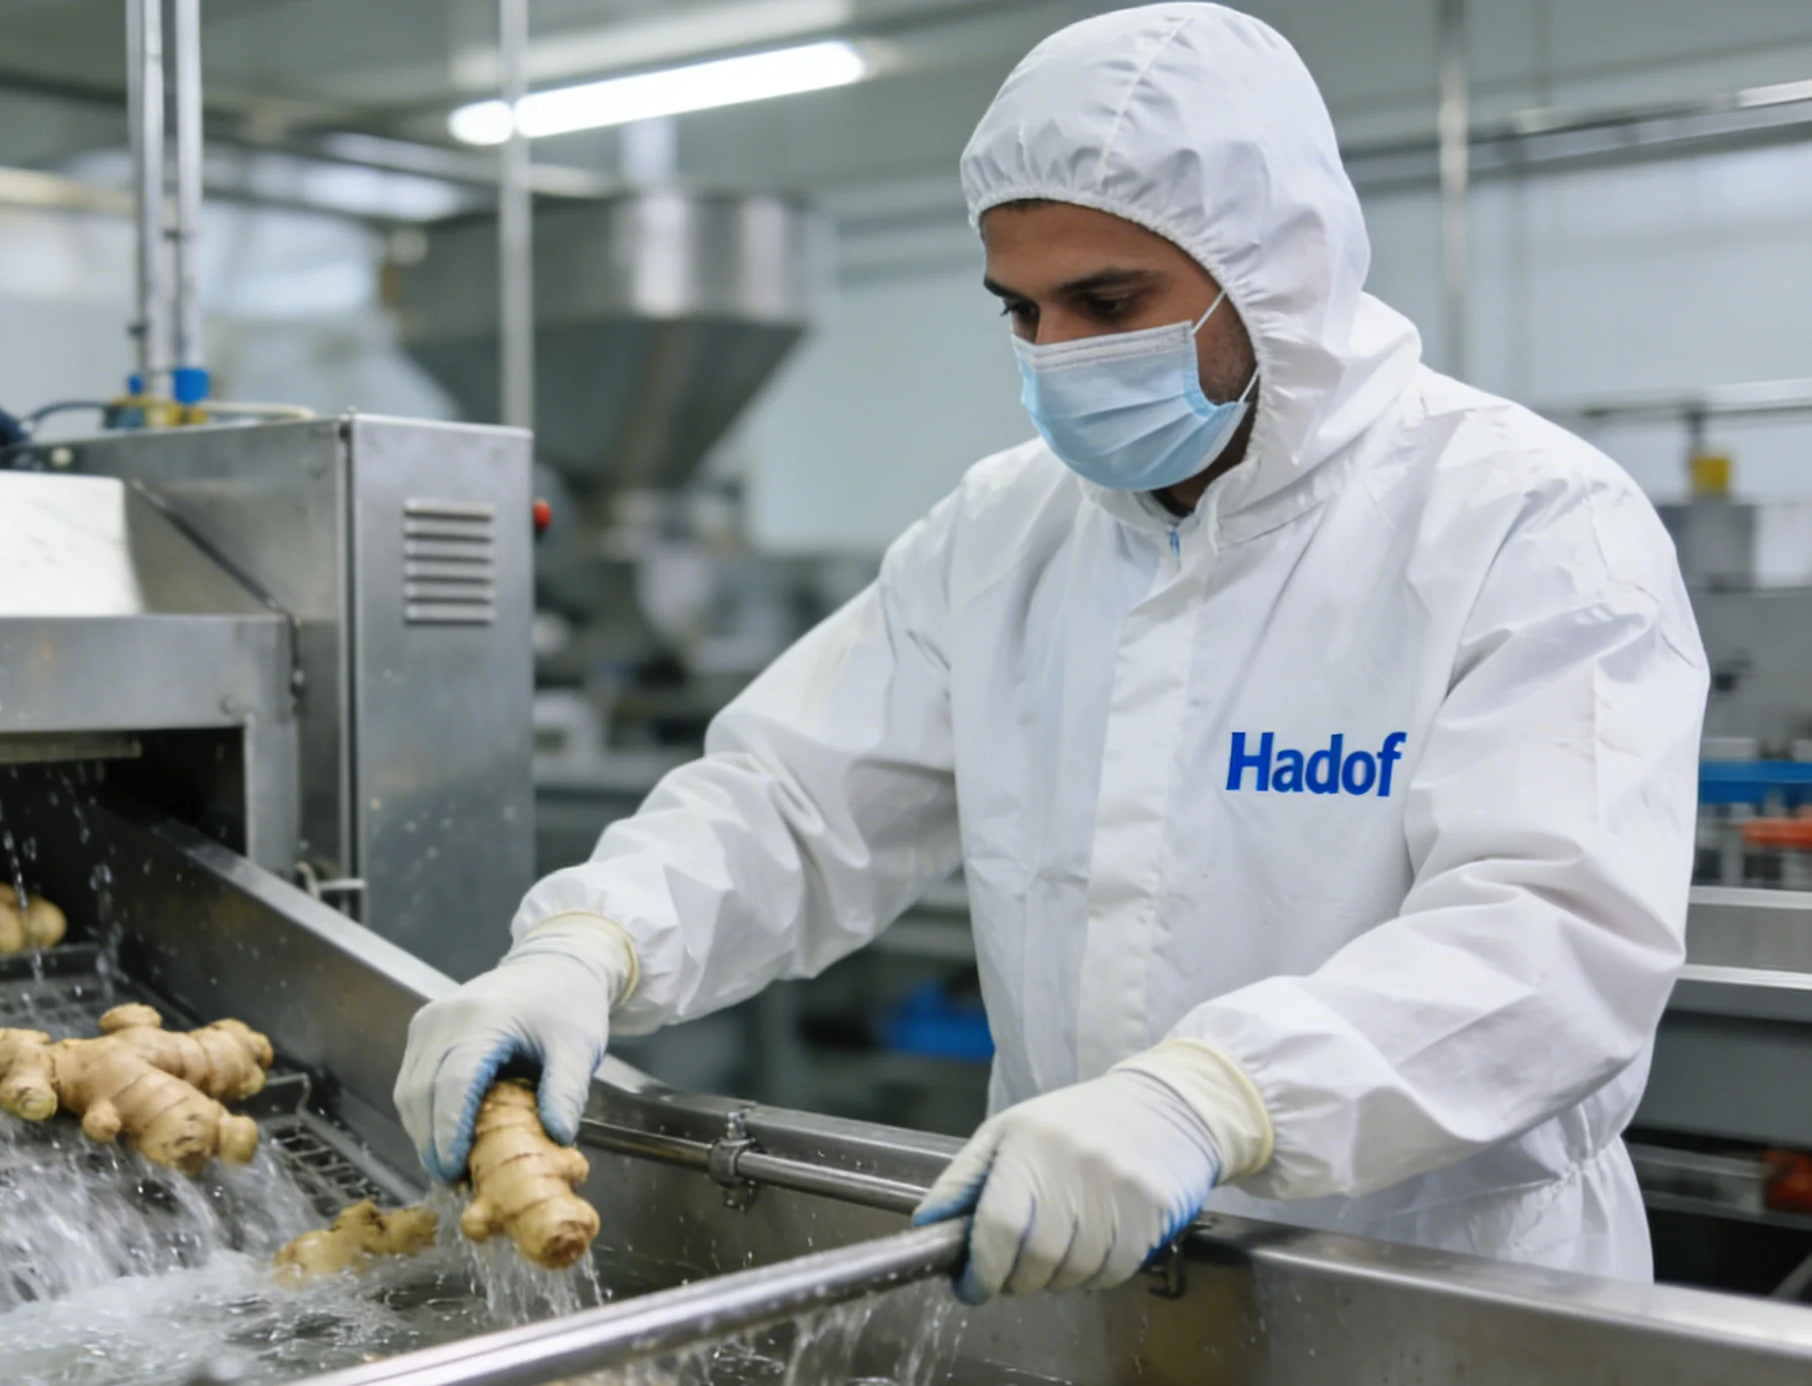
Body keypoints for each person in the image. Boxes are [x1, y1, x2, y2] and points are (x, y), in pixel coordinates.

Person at [395, 2, 1705, 1305]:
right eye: (1019, 311)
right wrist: (586, 944)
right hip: (1068, 1267)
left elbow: (1552, 936)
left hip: (1436, 1286)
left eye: (1106, 299)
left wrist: (1216, 1094)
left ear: (1279, 274)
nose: (1057, 357)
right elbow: (792, 805)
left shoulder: (1524, 527)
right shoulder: (1004, 528)